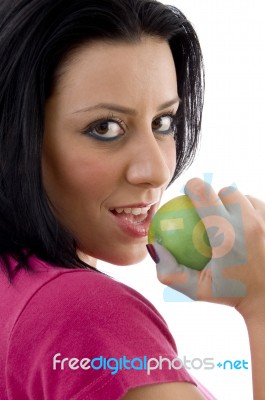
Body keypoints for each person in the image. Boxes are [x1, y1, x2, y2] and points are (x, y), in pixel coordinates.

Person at [0, 0, 264, 399]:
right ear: (14, 137)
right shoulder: (88, 315)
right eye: (105, 127)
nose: (156, 170)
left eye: (163, 122)